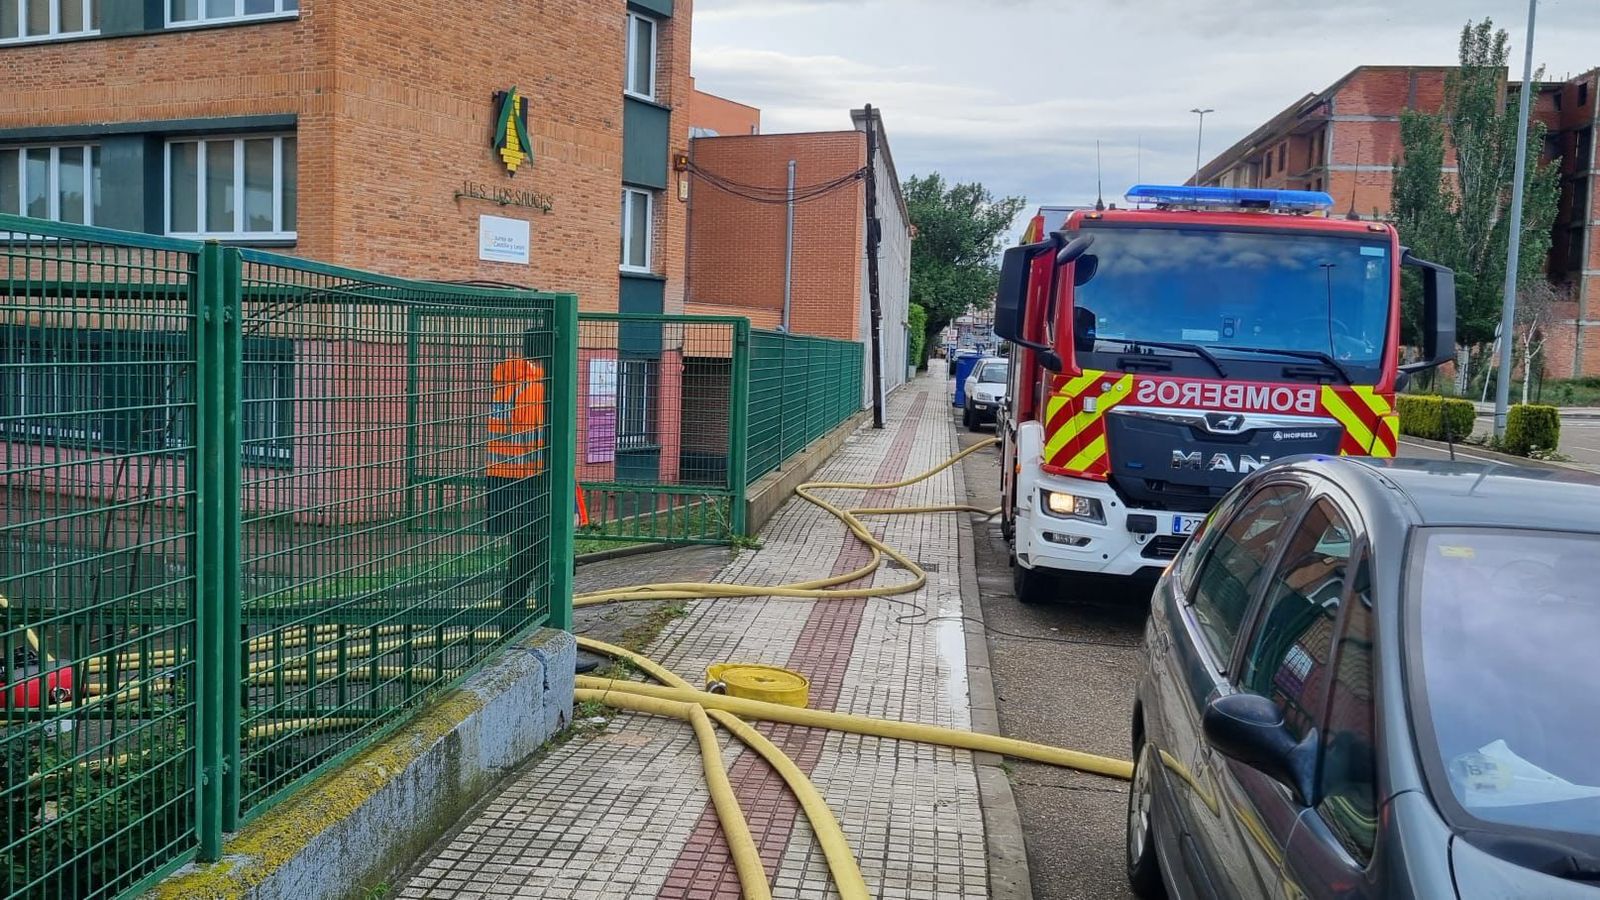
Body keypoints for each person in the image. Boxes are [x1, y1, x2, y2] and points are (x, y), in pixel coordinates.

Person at [484, 356, 545, 611]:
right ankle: (517, 610)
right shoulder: (538, 390)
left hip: (499, 476)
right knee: (532, 548)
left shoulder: (503, 390)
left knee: (522, 548)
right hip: (531, 478)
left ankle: (514, 606)